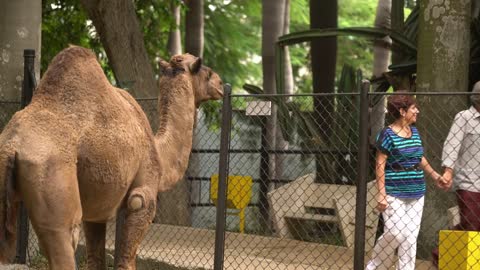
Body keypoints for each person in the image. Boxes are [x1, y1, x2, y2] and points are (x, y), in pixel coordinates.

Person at [366, 92, 444, 270]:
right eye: (413, 108)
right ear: (402, 111)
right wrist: (382, 194)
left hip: (417, 192)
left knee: (410, 239)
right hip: (394, 192)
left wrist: (435, 175)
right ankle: (375, 266)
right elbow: (380, 165)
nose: (417, 111)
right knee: (395, 233)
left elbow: (419, 158)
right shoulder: (387, 134)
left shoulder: (414, 131)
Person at [431, 82, 480, 267]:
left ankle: (444, 253)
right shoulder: (464, 117)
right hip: (468, 182)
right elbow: (452, 144)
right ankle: (440, 256)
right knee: (472, 223)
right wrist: (448, 171)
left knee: (474, 225)